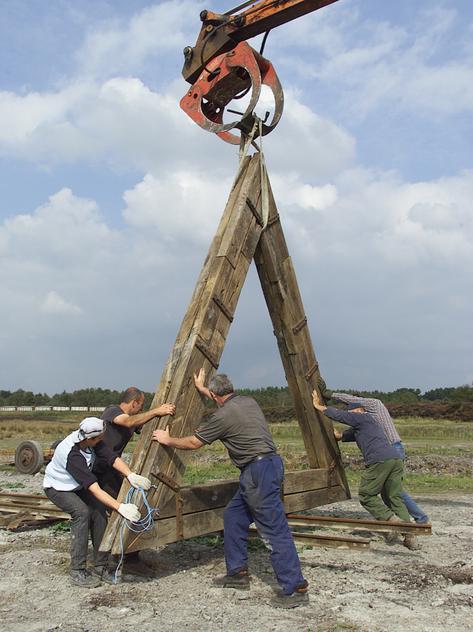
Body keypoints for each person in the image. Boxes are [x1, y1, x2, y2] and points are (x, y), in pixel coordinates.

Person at [152, 369, 309, 609]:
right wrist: (204, 388)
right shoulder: (249, 401)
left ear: (215, 396)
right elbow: (223, 399)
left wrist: (167, 439)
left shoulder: (221, 418)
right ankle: (237, 573)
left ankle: (295, 587)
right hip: (266, 468)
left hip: (257, 473)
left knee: (274, 530)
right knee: (234, 516)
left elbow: (194, 442)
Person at [43, 417, 151, 587]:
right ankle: (77, 570)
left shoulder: (92, 440)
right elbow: (94, 489)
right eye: (99, 438)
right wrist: (120, 507)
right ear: (89, 438)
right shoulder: (72, 454)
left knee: (100, 512)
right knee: (82, 513)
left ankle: (101, 565)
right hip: (58, 487)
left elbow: (112, 458)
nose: (102, 440)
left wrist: (130, 475)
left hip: (76, 485)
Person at [312, 391, 419, 550]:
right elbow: (341, 436)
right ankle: (410, 536)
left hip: (379, 460)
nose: (349, 415)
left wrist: (318, 406)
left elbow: (339, 415)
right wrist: (333, 432)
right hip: (394, 459)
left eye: (351, 412)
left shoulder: (362, 417)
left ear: (357, 411)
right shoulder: (366, 425)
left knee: (366, 495)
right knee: (394, 497)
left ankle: (391, 522)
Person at [92, 387, 175, 578]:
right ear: (134, 402)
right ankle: (105, 558)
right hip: (98, 469)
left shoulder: (132, 420)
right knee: (101, 513)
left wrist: (164, 432)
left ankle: (128, 557)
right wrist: (156, 411)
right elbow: (128, 421)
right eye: (141, 405)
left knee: (131, 505)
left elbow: (143, 428)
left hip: (113, 468)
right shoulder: (113, 411)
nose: (141, 408)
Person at [331, 391, 428, 524]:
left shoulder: (373, 405)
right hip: (392, 450)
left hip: (390, 449)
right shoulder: (369, 418)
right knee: (391, 492)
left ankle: (417, 519)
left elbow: (348, 407)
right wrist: (341, 435)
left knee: (393, 492)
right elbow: (356, 432)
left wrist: (330, 395)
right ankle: (402, 523)